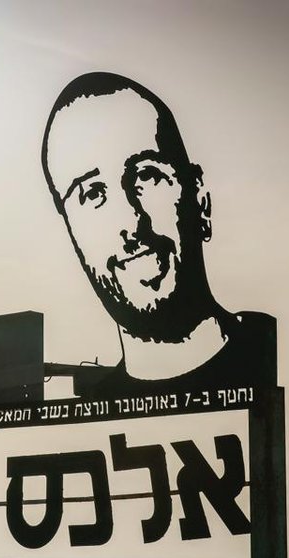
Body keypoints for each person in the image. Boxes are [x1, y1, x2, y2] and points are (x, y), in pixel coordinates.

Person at [41, 72, 276, 397]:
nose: (131, 221)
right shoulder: (90, 424)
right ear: (72, 235)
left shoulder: (274, 357)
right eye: (92, 194)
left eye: (148, 175)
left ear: (200, 200)